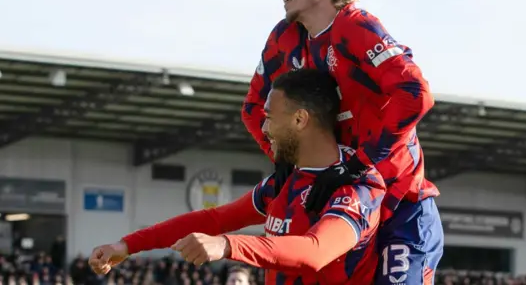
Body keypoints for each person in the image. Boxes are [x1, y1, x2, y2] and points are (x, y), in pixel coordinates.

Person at [241, 0, 443, 283]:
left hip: (399, 205)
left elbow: (415, 93)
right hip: (339, 204)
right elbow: (254, 107)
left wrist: (360, 163)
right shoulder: (283, 39)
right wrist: (286, 160)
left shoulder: (356, 27)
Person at [88, 69, 386, 284]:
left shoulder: (358, 185)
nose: (264, 129)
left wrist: (227, 245)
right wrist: (126, 246)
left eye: (269, 117)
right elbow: (213, 219)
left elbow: (315, 251)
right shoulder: (281, 184)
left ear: (300, 119)